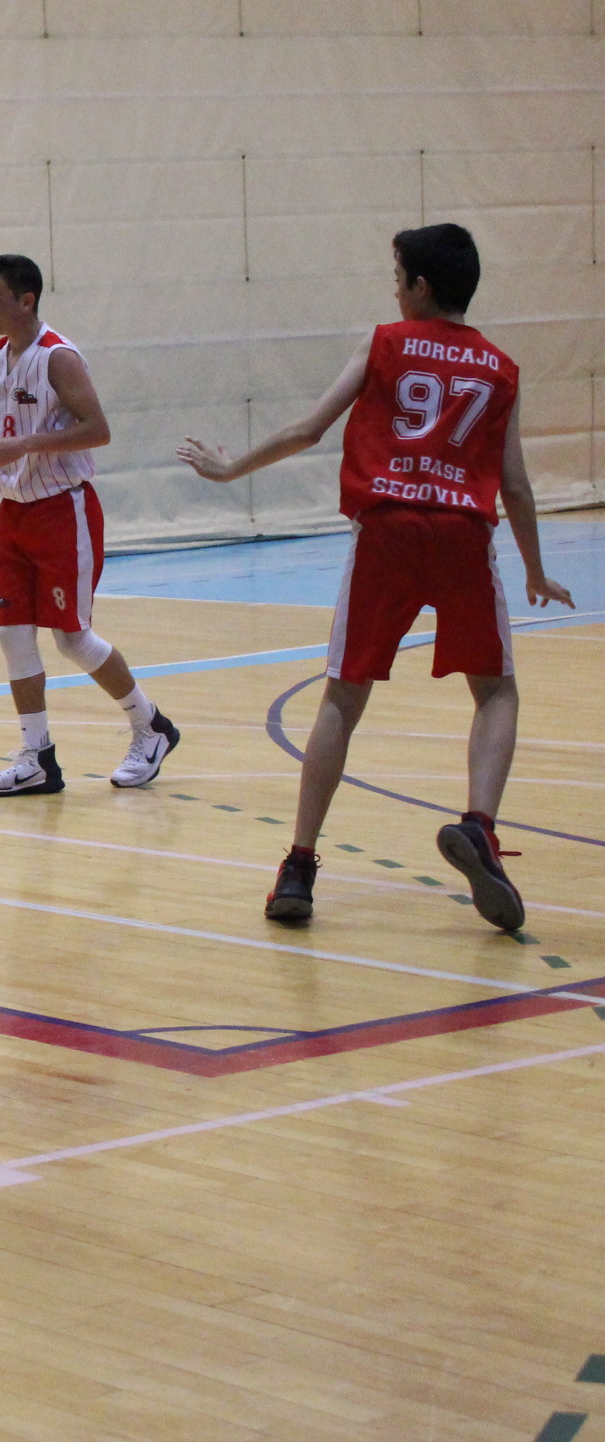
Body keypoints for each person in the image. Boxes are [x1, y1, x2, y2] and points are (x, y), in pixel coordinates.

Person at [177, 224, 574, 931]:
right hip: (461, 532)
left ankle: (298, 865)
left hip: (388, 527)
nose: (393, 286)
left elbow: (309, 430)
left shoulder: (386, 342)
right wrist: (538, 570)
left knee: (342, 697)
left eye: (398, 275)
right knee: (496, 691)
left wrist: (230, 469)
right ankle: (480, 823)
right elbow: (513, 484)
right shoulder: (500, 369)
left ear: (421, 287)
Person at [0, 255, 179, 795]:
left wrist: (28, 444)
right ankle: (37, 757)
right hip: (14, 511)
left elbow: (98, 429)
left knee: (71, 638)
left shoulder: (58, 358)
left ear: (27, 300)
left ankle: (149, 725)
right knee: (13, 636)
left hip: (64, 512)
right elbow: (17, 424)